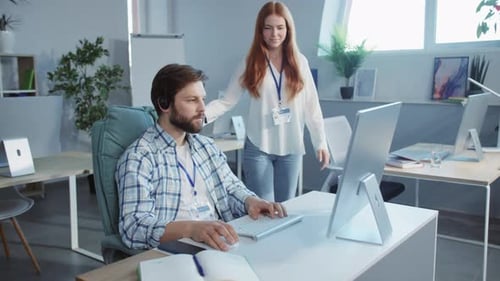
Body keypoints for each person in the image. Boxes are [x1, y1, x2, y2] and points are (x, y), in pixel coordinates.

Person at [115, 64, 286, 252]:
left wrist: (250, 202)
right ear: (164, 103)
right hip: (176, 251)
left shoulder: (206, 146)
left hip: (220, 242)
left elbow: (229, 188)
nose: (203, 108)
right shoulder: (140, 157)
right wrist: (191, 229)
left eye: (203, 99)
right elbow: (134, 227)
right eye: (192, 100)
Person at [205, 1, 329, 202]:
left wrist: (320, 142)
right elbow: (227, 101)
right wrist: (200, 116)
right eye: (268, 28)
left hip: (291, 147)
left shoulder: (300, 62)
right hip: (258, 148)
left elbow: (311, 107)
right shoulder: (250, 62)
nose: (274, 34)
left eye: (280, 28)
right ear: (260, 30)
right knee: (264, 210)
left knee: (286, 208)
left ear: (288, 30)